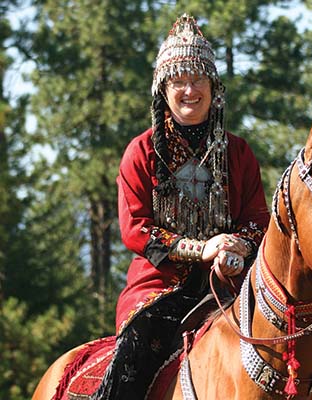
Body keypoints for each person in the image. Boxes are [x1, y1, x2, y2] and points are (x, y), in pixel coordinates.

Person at [92, 13, 269, 399]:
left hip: (233, 284)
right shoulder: (140, 152)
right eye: (178, 81)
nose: (189, 90)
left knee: (310, 359)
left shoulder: (238, 153)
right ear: (163, 89)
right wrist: (201, 249)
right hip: (158, 286)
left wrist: (236, 246)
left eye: (198, 79)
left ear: (213, 86)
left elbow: (259, 219)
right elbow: (135, 227)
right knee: (133, 353)